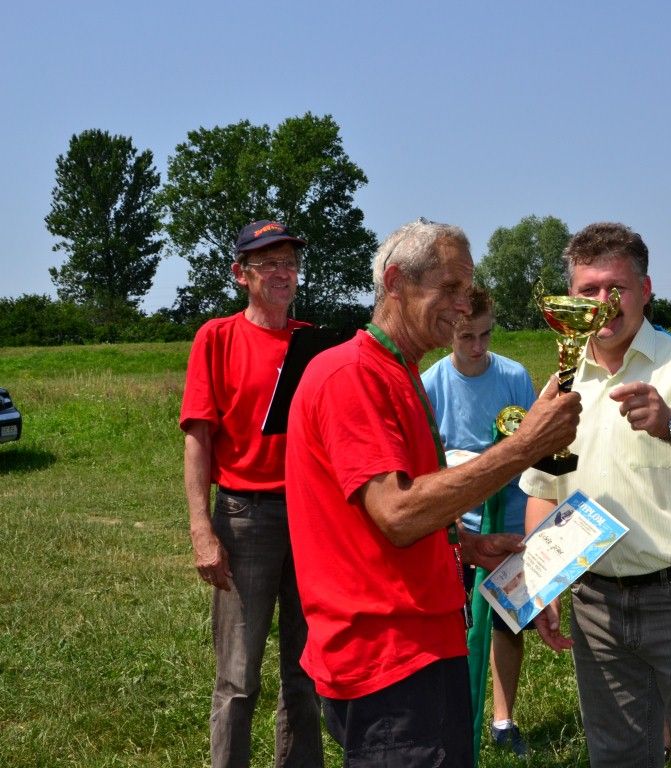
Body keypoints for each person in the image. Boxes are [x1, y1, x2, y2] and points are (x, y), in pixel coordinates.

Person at [284, 218, 582, 767]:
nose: (463, 306)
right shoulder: (353, 375)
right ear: (395, 282)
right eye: (449, 287)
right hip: (391, 660)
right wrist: (524, 446)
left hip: (420, 646)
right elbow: (397, 513)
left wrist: (464, 546)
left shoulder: (399, 372)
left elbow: (384, 511)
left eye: (467, 289)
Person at [520, 222, 671, 768]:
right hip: (596, 606)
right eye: (589, 290)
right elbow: (543, 490)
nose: (603, 303)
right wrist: (544, 581)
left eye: (617, 288)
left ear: (646, 290)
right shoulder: (562, 384)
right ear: (571, 297)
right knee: (617, 756)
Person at [179, 220, 323, 768]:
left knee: (306, 670)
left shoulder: (312, 342)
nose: (283, 273)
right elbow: (198, 438)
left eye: (290, 263)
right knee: (238, 677)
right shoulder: (216, 338)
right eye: (268, 264)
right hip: (245, 517)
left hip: (310, 517)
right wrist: (202, 529)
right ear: (241, 274)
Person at [422, 285, 537, 757]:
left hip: (510, 523)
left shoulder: (514, 376)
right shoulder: (431, 384)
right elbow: (426, 462)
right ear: (449, 331)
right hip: (459, 529)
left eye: (485, 335)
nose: (477, 347)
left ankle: (503, 719)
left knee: (509, 625)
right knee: (456, 626)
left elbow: (535, 447)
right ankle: (453, 717)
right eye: (466, 336)